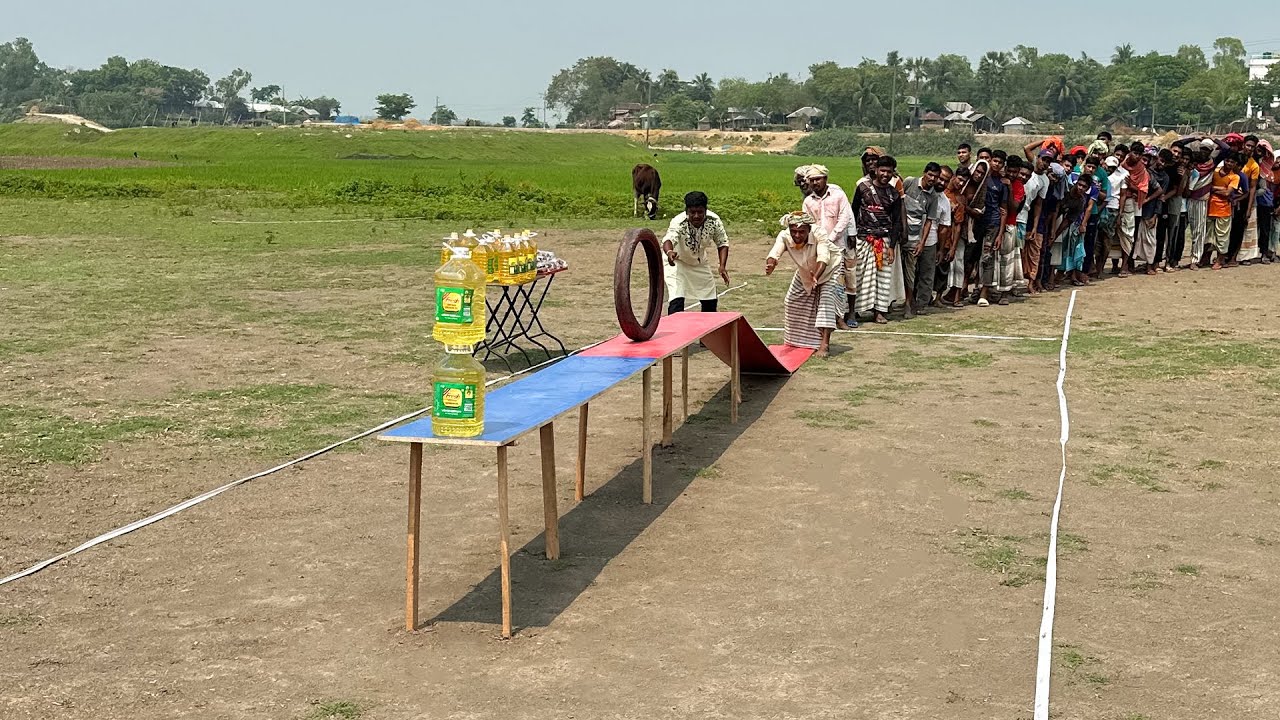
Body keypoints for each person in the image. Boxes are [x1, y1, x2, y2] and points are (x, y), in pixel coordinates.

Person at [766, 212, 844, 356]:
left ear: (809, 229)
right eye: (793, 231)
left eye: (801, 232)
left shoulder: (819, 233)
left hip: (829, 269)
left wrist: (817, 276)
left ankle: (824, 344)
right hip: (805, 271)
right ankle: (795, 341)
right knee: (791, 301)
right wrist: (771, 264)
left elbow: (824, 256)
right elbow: (775, 252)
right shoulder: (784, 236)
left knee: (825, 303)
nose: (797, 235)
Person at [850, 155, 903, 324]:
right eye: (882, 170)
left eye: (889, 171)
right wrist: (851, 235)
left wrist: (892, 246)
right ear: (876, 170)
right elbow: (853, 212)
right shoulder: (863, 187)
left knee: (883, 278)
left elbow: (897, 222)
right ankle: (855, 311)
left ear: (893, 173)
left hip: (884, 240)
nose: (885, 174)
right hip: (863, 239)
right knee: (859, 275)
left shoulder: (894, 194)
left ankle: (879, 311)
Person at [800, 164, 854, 325]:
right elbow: (807, 223)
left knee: (837, 283)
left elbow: (844, 218)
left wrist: (830, 239)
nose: (815, 183)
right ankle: (818, 318)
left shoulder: (838, 196)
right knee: (816, 282)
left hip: (836, 247)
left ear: (825, 179)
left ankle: (839, 318)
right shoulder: (808, 201)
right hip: (816, 249)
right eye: (812, 180)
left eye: (818, 179)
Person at [661, 191, 730, 314]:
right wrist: (670, 252)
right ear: (687, 212)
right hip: (676, 262)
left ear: (705, 210)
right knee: (677, 298)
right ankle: (677, 331)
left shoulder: (714, 221)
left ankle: (708, 329)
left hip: (699, 263)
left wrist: (722, 266)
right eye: (693, 212)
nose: (696, 216)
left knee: (710, 299)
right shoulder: (679, 222)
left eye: (700, 212)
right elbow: (668, 239)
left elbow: (722, 243)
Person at [901, 162, 942, 316]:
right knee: (896, 271)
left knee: (911, 272)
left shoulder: (933, 197)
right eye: (930, 175)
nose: (932, 179)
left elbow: (929, 221)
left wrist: (921, 243)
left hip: (914, 237)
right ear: (924, 173)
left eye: (935, 177)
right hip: (900, 236)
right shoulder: (909, 182)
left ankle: (908, 304)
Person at [976, 152, 1009, 306]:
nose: (996, 164)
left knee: (987, 257)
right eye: (994, 161)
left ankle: (984, 293)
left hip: (992, 223)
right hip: (975, 222)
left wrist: (1000, 233)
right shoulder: (979, 177)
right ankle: (968, 290)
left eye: (1000, 162)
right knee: (972, 257)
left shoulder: (1002, 184)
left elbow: (1003, 210)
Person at [1055, 172, 1097, 287]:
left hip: (1073, 224)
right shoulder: (1066, 191)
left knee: (1073, 250)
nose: (1081, 188)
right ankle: (1055, 276)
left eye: (1084, 187)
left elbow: (1069, 219)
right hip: (1056, 220)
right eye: (1080, 185)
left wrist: (1082, 225)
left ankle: (1072, 275)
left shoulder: (1082, 200)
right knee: (1061, 250)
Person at [1206, 154, 1241, 270]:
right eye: (1227, 161)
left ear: (1235, 164)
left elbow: (1227, 193)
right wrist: (1222, 189)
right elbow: (1209, 187)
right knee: (1209, 237)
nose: (1229, 163)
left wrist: (1214, 189)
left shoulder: (1235, 177)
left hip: (1224, 210)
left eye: (1232, 162)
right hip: (1210, 208)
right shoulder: (1214, 172)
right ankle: (1205, 258)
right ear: (1224, 160)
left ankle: (1220, 260)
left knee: (1222, 238)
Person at [1184, 146, 1214, 270]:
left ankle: (1195, 260)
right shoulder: (1194, 171)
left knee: (1199, 231)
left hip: (1199, 201)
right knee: (1192, 231)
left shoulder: (1210, 167)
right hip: (1190, 201)